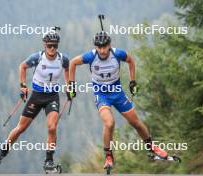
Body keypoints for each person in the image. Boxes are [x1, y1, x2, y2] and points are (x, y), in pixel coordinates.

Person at [68, 31, 168, 170]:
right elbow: (72, 63)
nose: (102, 50)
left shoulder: (117, 54)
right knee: (109, 123)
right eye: (99, 47)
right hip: (102, 95)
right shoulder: (91, 56)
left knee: (136, 123)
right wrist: (71, 85)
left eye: (105, 46)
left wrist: (133, 81)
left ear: (110, 45)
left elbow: (131, 60)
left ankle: (152, 147)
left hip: (117, 93)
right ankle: (108, 155)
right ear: (95, 46)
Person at [0, 30, 69, 169]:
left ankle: (49, 160)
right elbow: (22, 66)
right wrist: (23, 86)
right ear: (44, 45)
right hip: (37, 96)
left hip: (52, 97)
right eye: (49, 45)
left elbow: (68, 68)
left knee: (52, 127)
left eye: (55, 45)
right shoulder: (38, 57)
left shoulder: (63, 59)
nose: (52, 48)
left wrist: (69, 85)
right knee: (20, 128)